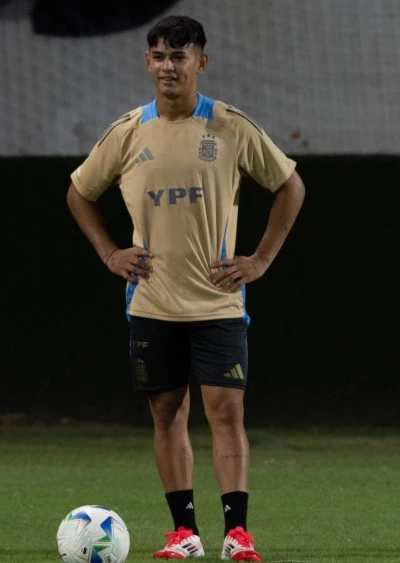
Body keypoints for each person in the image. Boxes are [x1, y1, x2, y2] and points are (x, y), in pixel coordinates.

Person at [66, 15, 305, 561]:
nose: (167, 66)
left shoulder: (230, 126)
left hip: (218, 300)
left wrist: (261, 258)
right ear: (147, 62)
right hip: (151, 302)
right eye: (158, 55)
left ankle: (237, 535)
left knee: (226, 413)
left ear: (202, 62)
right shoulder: (128, 131)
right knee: (167, 415)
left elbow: (290, 185)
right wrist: (110, 252)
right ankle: (184, 533)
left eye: (180, 55)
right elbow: (79, 192)